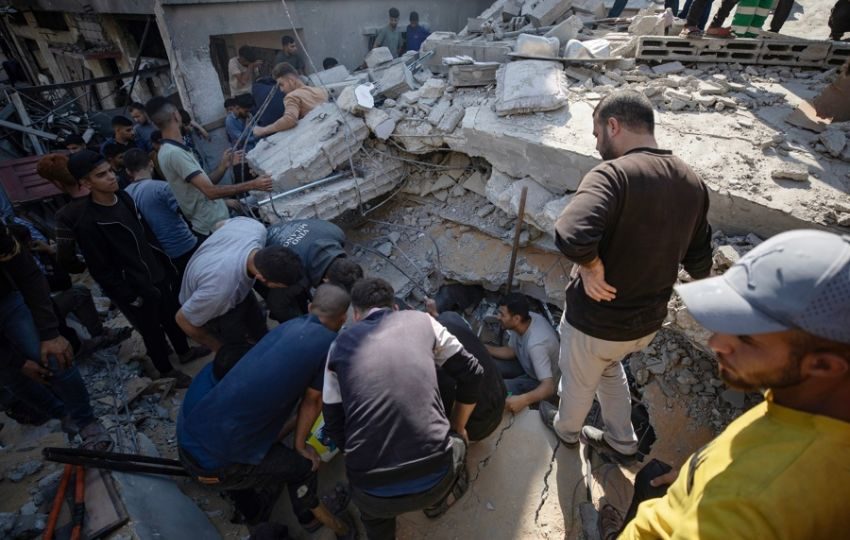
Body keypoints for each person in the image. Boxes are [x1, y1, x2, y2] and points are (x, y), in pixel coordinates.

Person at [619, 229, 850, 539]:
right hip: (680, 502)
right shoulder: (801, 401)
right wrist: (699, 476)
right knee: (651, 477)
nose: (716, 343)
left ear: (824, 366)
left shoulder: (745, 506)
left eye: (746, 337)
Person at [539, 90, 712, 462]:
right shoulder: (692, 182)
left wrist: (591, 266)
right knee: (609, 368)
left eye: (597, 132)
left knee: (578, 383)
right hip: (645, 324)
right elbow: (700, 262)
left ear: (613, 125)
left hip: (596, 323)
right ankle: (623, 441)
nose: (596, 142)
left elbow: (570, 234)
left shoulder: (613, 175)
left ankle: (567, 432)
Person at [177, 285, 353, 537]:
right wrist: (301, 447)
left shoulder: (288, 327)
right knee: (302, 467)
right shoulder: (326, 345)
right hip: (219, 463)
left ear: (309, 307)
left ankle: (254, 512)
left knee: (254, 452)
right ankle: (309, 518)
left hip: (190, 446)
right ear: (343, 318)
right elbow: (312, 401)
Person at [323, 278, 483, 540]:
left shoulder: (338, 347)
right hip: (436, 478)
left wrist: (359, 454)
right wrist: (458, 427)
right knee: (457, 443)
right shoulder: (423, 321)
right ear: (395, 308)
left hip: (372, 492)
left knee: (374, 518)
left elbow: (333, 423)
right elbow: (473, 373)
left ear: (356, 315)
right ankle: (437, 503)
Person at [56, 151, 200, 387]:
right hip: (133, 284)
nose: (111, 177)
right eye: (101, 175)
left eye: (110, 171)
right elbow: (100, 268)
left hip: (155, 270)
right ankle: (165, 371)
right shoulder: (89, 222)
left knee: (171, 314)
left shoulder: (123, 197)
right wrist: (128, 295)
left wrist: (162, 262)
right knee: (152, 331)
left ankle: (185, 352)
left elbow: (144, 234)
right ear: (86, 183)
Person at [0, 222, 112, 450]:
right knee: (12, 379)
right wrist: (16, 361)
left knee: (55, 355)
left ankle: (86, 421)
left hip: (5, 301)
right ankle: (64, 415)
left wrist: (50, 334)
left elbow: (29, 275)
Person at [145, 97, 273, 239]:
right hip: (213, 226)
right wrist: (254, 184)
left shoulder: (174, 149)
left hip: (217, 218)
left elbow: (204, 185)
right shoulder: (174, 153)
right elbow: (210, 192)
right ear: (176, 115)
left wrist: (223, 166)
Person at [176, 217, 304, 357]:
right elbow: (183, 320)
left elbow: (220, 224)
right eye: (279, 287)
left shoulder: (255, 229)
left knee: (259, 328)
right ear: (262, 279)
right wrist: (222, 351)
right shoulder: (220, 292)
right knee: (240, 351)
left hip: (228, 285)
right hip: (210, 307)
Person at [7, 217, 130, 355]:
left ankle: (96, 334)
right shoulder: (22, 270)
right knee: (79, 293)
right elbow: (63, 281)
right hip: (38, 315)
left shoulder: (28, 260)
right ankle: (94, 338)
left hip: (40, 308)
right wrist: (50, 253)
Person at [425, 299, 507, 442]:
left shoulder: (419, 358)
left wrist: (457, 429)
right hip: (501, 400)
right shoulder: (450, 318)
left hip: (472, 428)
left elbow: (472, 376)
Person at [264, 219, 363, 322]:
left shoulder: (337, 234)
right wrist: (304, 325)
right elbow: (276, 305)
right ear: (326, 280)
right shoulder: (295, 274)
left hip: (284, 231)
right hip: (263, 250)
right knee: (288, 303)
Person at [123, 149, 199, 277]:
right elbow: (188, 212)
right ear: (151, 163)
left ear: (128, 171)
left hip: (158, 255)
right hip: (184, 245)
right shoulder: (162, 188)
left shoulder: (125, 195)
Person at [486, 293, 559, 413]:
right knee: (488, 364)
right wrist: (485, 349)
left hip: (538, 381)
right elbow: (512, 351)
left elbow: (548, 387)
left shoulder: (536, 345)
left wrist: (523, 400)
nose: (498, 317)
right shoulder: (525, 320)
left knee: (497, 390)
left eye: (502, 315)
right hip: (526, 365)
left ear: (516, 318)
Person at [252, 63, 328, 138]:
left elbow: (290, 119)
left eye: (281, 84)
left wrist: (263, 130)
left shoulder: (292, 96)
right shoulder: (319, 91)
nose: (281, 90)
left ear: (291, 80)